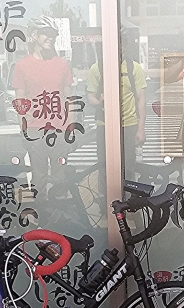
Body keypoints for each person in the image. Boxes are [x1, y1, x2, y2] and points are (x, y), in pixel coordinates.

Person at [11, 16, 74, 195]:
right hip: (35, 131)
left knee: (60, 179)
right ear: (34, 36)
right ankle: (41, 218)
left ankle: (60, 219)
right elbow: (20, 102)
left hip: (59, 130)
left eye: (53, 34)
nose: (50, 38)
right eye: (45, 34)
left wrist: (71, 128)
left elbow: (69, 99)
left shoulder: (62, 64)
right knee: (38, 179)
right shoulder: (22, 65)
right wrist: (23, 131)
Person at [87, 34, 146, 161]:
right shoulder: (97, 68)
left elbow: (141, 100)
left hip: (129, 124)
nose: (119, 48)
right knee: (104, 165)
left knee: (129, 167)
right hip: (104, 124)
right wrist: (100, 102)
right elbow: (90, 97)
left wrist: (141, 129)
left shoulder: (134, 68)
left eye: (122, 44)